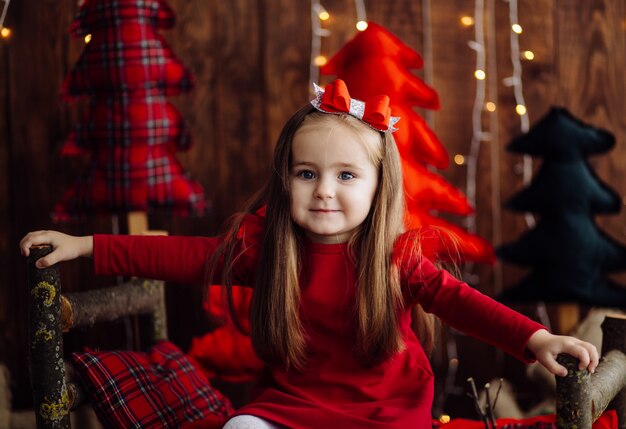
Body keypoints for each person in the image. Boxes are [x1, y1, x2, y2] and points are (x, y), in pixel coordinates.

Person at [21, 79, 598, 429]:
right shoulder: (267, 250)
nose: (324, 189)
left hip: (385, 410)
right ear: (285, 180)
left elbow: (464, 303)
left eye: (346, 175)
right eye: (307, 173)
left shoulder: (392, 258)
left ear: (378, 190)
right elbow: (181, 256)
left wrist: (536, 339)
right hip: (297, 405)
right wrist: (85, 245)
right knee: (240, 426)